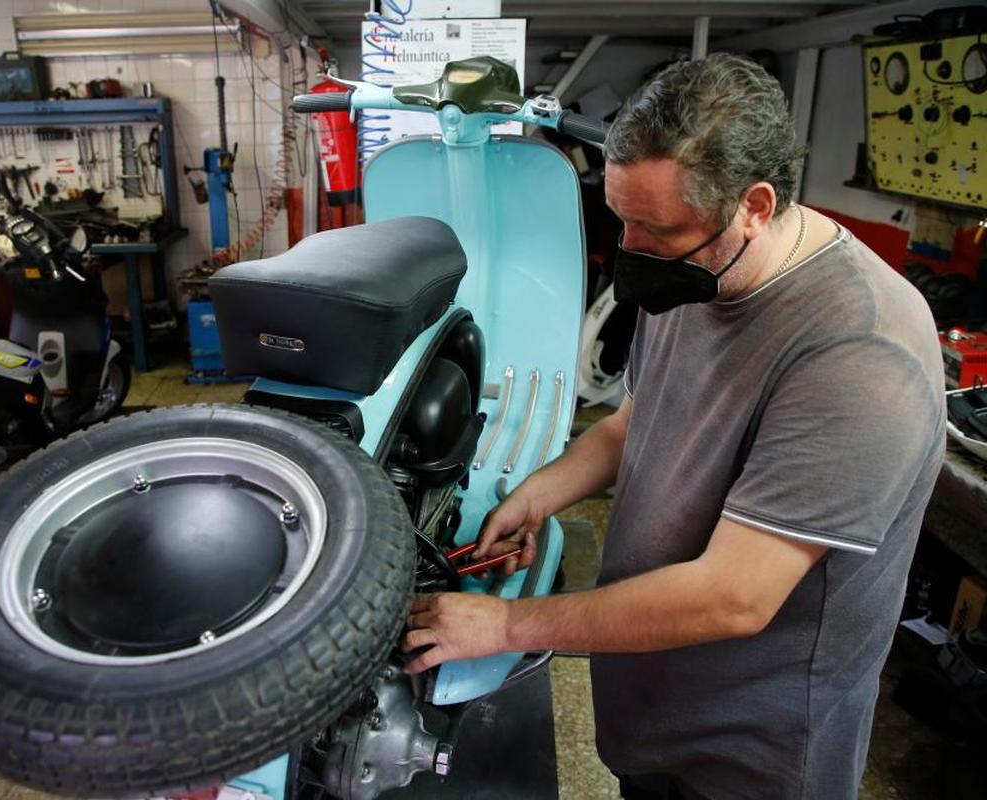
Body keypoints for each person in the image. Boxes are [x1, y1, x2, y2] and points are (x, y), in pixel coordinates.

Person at [402, 52, 946, 799]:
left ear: (754, 206)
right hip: (654, 700)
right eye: (621, 219)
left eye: (655, 229)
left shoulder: (858, 351)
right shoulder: (697, 274)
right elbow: (634, 423)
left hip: (749, 748)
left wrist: (504, 627)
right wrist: (536, 494)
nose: (632, 251)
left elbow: (735, 596)